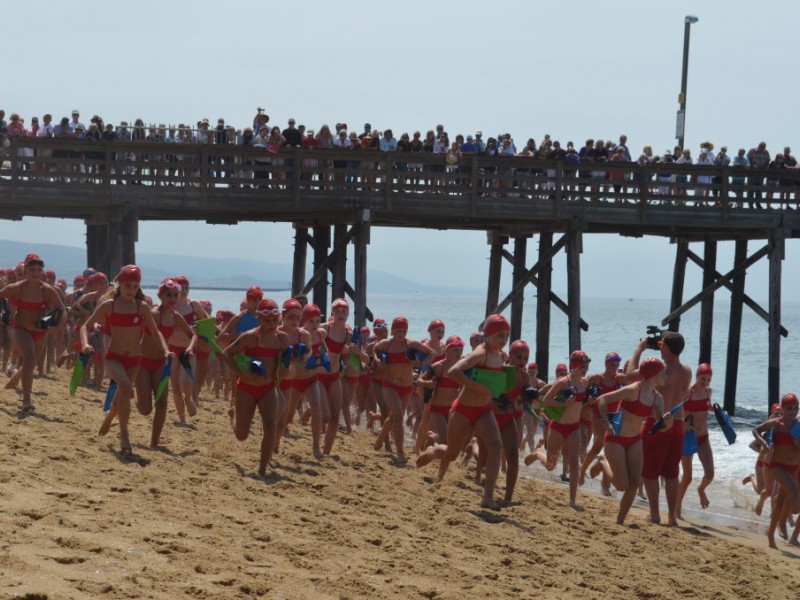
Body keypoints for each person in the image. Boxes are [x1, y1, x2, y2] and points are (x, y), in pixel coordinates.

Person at [416, 314, 509, 510]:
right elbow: (454, 372)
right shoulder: (479, 353)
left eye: (506, 336)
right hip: (463, 410)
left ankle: (488, 497)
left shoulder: (500, 356)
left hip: (483, 410)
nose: (504, 340)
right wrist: (479, 388)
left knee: (496, 446)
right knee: (451, 454)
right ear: (488, 335)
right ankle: (433, 451)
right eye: (500, 336)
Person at [80, 265, 160, 455]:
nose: (131, 290)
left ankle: (109, 418)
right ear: (120, 285)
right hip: (113, 356)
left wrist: (165, 350)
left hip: (134, 358)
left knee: (123, 394)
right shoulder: (108, 304)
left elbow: (155, 332)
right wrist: (84, 344)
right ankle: (124, 434)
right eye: (127, 286)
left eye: (135, 286)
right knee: (125, 387)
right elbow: (86, 325)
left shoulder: (142, 307)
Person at [626, 331, 691, 526]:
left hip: (658, 421)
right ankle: (672, 517)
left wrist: (639, 349)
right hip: (678, 424)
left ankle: (654, 513)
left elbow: (630, 375)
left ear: (667, 348)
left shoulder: (661, 370)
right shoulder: (687, 371)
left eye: (662, 344)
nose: (659, 347)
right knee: (671, 473)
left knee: (649, 472)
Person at [594, 357, 667, 524]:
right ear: (653, 374)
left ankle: (620, 521)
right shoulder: (633, 390)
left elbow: (660, 426)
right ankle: (603, 462)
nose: (666, 376)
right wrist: (606, 422)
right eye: (663, 373)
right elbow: (602, 400)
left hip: (635, 440)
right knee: (621, 485)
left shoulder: (658, 399)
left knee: (634, 483)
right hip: (615, 438)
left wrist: (666, 422)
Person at [221, 298, 289, 476]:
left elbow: (284, 365)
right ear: (259, 319)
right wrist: (240, 372)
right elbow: (226, 353)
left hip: (268, 388)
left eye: (275, 320)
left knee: (270, 425)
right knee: (241, 435)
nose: (272, 324)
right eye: (267, 320)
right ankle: (233, 414)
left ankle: (262, 469)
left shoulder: (283, 339)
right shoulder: (250, 336)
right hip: (246, 388)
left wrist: (292, 364)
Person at [525, 350, 592, 510]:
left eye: (587, 365)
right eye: (582, 366)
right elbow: (546, 400)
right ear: (574, 366)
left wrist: (590, 401)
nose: (585, 369)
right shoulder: (563, 382)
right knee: (550, 465)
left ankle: (572, 500)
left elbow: (581, 403)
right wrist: (563, 404)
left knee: (574, 464)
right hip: (558, 427)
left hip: (574, 428)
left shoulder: (584, 383)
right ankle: (537, 453)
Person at [0, 253, 66, 412]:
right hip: (21, 328)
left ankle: (16, 377)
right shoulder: (17, 288)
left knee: (31, 363)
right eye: (32, 270)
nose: (35, 273)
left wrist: (58, 327)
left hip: (40, 330)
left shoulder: (47, 290)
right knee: (29, 358)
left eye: (38, 270)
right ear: (26, 270)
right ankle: (27, 401)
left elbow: (61, 309)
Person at [135, 278, 190, 448]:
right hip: (143, 361)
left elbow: (192, 334)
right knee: (145, 410)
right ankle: (133, 392)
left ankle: (154, 443)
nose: (172, 298)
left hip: (161, 363)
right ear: (160, 296)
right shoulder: (153, 314)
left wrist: (192, 347)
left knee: (162, 403)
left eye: (175, 295)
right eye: (168, 295)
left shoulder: (176, 317)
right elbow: (134, 329)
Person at [372, 316, 435, 464]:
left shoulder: (411, 344)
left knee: (394, 417)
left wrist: (420, 363)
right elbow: (375, 348)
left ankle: (380, 438)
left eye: (404, 330)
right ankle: (400, 453)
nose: (401, 333)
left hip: (406, 387)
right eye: (398, 330)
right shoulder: (387, 344)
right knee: (399, 414)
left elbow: (432, 353)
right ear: (393, 331)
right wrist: (377, 359)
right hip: (389, 384)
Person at [752, 392, 800, 548]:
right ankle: (782, 522)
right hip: (777, 466)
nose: (793, 411)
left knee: (780, 502)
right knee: (794, 493)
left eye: (796, 408)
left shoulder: (798, 425)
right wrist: (763, 443)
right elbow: (755, 430)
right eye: (790, 408)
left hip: (793, 468)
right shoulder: (776, 424)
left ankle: (771, 535)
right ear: (783, 408)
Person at [579, 352, 628, 489]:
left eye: (617, 365)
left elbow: (633, 392)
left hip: (615, 416)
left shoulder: (621, 379)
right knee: (605, 443)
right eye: (612, 364)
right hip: (598, 415)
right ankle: (591, 473)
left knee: (597, 448)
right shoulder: (596, 378)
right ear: (606, 364)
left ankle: (588, 472)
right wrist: (588, 399)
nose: (614, 367)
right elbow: (582, 394)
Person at [676, 363, 715, 518]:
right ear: (697, 376)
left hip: (703, 437)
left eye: (708, 379)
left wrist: (716, 410)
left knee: (710, 474)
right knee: (687, 476)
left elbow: (706, 407)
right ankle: (676, 508)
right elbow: (674, 409)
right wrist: (683, 424)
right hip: (687, 437)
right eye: (702, 378)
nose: (705, 382)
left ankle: (701, 489)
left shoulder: (708, 392)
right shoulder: (688, 392)